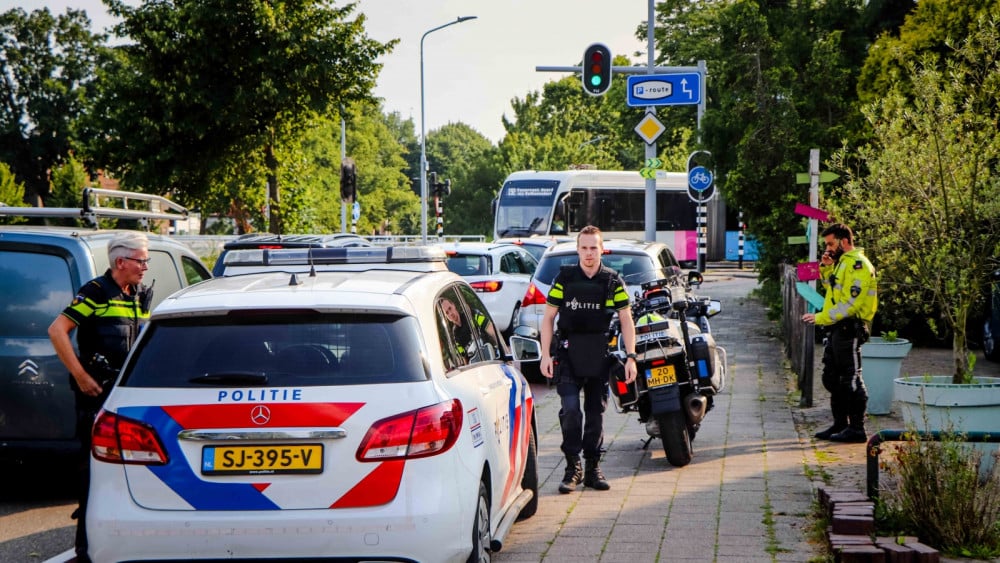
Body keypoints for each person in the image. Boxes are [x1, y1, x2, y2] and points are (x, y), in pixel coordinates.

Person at [48, 231, 155, 562]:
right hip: (97, 396)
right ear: (120, 262)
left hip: (126, 395)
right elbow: (57, 330)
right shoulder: (96, 292)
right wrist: (81, 376)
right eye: (141, 260)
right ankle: (86, 549)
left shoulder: (136, 293)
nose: (146, 267)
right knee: (92, 471)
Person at [540, 225, 637, 493]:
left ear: (601, 249)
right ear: (578, 249)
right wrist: (545, 355)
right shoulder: (564, 279)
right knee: (571, 410)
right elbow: (548, 318)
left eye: (593, 247)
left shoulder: (612, 281)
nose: (589, 253)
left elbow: (626, 320)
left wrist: (631, 357)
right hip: (568, 354)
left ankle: (593, 467)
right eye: (583, 247)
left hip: (599, 355)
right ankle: (573, 468)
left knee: (596, 414)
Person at [802, 223, 877, 443]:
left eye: (831, 243)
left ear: (844, 241)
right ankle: (840, 423)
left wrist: (820, 318)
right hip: (837, 328)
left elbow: (849, 304)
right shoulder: (842, 263)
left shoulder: (858, 265)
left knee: (851, 379)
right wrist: (825, 268)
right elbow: (833, 291)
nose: (828, 248)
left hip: (849, 327)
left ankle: (857, 429)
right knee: (832, 377)